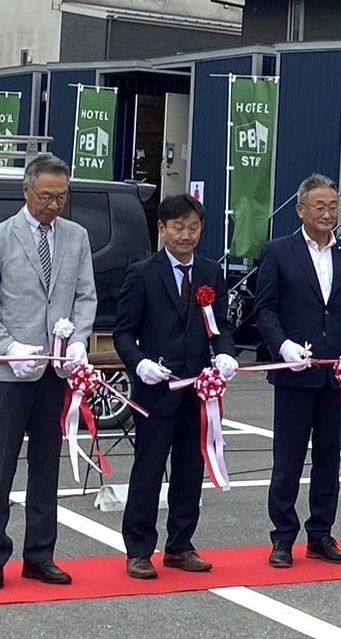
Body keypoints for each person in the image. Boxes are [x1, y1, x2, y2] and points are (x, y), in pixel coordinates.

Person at [0, 153, 95, 589]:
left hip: (55, 370)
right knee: (0, 465)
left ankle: (40, 553)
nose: (54, 205)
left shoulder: (77, 237)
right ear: (26, 191)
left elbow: (84, 297)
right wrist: (7, 348)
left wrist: (78, 340)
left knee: (46, 465)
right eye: (46, 197)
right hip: (11, 372)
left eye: (61, 197)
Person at [255, 174, 341, 568]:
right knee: (288, 460)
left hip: (336, 372)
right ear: (301, 210)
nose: (329, 213)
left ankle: (321, 534)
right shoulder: (279, 252)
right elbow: (265, 309)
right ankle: (282, 537)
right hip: (296, 372)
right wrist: (284, 345)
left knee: (329, 458)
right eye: (320, 206)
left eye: (333, 206)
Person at [113, 194, 238, 579]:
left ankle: (180, 544)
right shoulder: (143, 273)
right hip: (157, 389)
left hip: (199, 389)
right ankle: (138, 549)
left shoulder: (210, 272)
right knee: (148, 470)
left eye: (194, 227)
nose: (186, 235)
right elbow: (123, 333)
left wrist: (226, 354)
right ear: (162, 229)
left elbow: (221, 325)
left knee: (190, 467)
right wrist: (140, 364)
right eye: (178, 227)